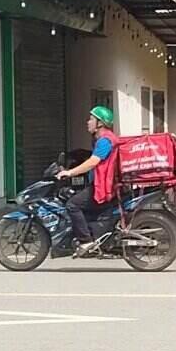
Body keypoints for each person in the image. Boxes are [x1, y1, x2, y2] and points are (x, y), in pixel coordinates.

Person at [58, 106, 118, 257]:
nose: (88, 122)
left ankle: (86, 241)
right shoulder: (103, 140)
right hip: (100, 184)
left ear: (100, 123)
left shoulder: (105, 141)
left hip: (102, 187)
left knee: (72, 205)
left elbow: (92, 162)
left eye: (91, 119)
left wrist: (70, 172)